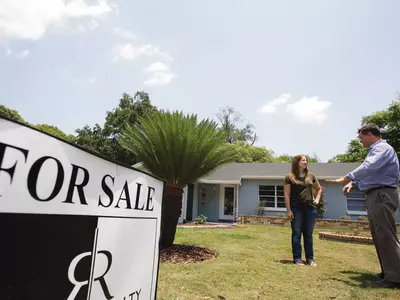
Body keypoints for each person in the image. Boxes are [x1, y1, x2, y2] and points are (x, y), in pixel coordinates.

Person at [327, 124, 400, 288]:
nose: (360, 141)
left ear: (368, 134)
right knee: (379, 235)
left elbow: (369, 167)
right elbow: (373, 172)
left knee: (386, 235)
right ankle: (389, 272)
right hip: (376, 194)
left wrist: (347, 177)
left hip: (381, 195)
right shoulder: (377, 150)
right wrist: (353, 182)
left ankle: (395, 277)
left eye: (361, 137)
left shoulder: (382, 148)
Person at [284, 155, 323, 266]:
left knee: (308, 234)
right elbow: (286, 195)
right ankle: (297, 258)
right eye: (303, 160)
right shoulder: (289, 177)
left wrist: (317, 198)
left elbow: (319, 189)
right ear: (297, 162)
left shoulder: (311, 176)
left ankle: (310, 259)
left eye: (306, 160)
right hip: (296, 208)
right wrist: (288, 210)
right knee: (296, 234)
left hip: (310, 208)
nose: (306, 162)